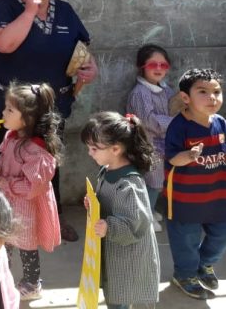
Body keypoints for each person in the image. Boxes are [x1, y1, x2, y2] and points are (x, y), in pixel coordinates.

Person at [0, 0, 98, 242]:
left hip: (51, 105)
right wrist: (30, 12)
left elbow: (81, 48)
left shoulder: (65, 11)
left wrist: (89, 67)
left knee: (47, 162)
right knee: (2, 159)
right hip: (8, 107)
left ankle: (51, 216)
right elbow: (4, 44)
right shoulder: (5, 6)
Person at [0, 82, 61, 300]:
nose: (3, 113)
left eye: (10, 109)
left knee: (26, 245)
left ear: (28, 118)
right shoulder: (12, 136)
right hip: (8, 202)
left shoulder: (36, 149)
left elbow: (31, 187)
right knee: (5, 241)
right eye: (5, 107)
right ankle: (3, 279)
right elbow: (3, 159)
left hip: (26, 206)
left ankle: (31, 284)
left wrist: (3, 182)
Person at [81, 112, 159, 309]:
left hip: (129, 257)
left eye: (94, 148)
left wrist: (109, 227)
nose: (90, 153)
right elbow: (106, 202)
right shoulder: (107, 171)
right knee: (115, 295)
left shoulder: (130, 184)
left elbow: (137, 223)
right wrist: (94, 203)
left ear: (115, 149)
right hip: (116, 251)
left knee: (123, 297)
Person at [164, 68, 226, 300]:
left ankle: (204, 264)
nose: (212, 97)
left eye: (217, 91)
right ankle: (185, 275)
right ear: (185, 98)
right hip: (185, 199)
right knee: (186, 241)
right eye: (203, 91)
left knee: (223, 234)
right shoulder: (179, 126)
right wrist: (189, 156)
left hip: (218, 195)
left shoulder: (221, 123)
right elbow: (172, 158)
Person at [125, 43, 175, 231]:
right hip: (146, 144)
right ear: (142, 66)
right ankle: (144, 216)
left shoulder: (167, 90)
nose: (159, 69)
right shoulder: (140, 93)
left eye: (163, 65)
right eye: (153, 64)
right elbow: (148, 120)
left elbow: (175, 107)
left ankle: (150, 209)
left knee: (159, 180)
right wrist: (174, 122)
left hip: (161, 144)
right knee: (151, 181)